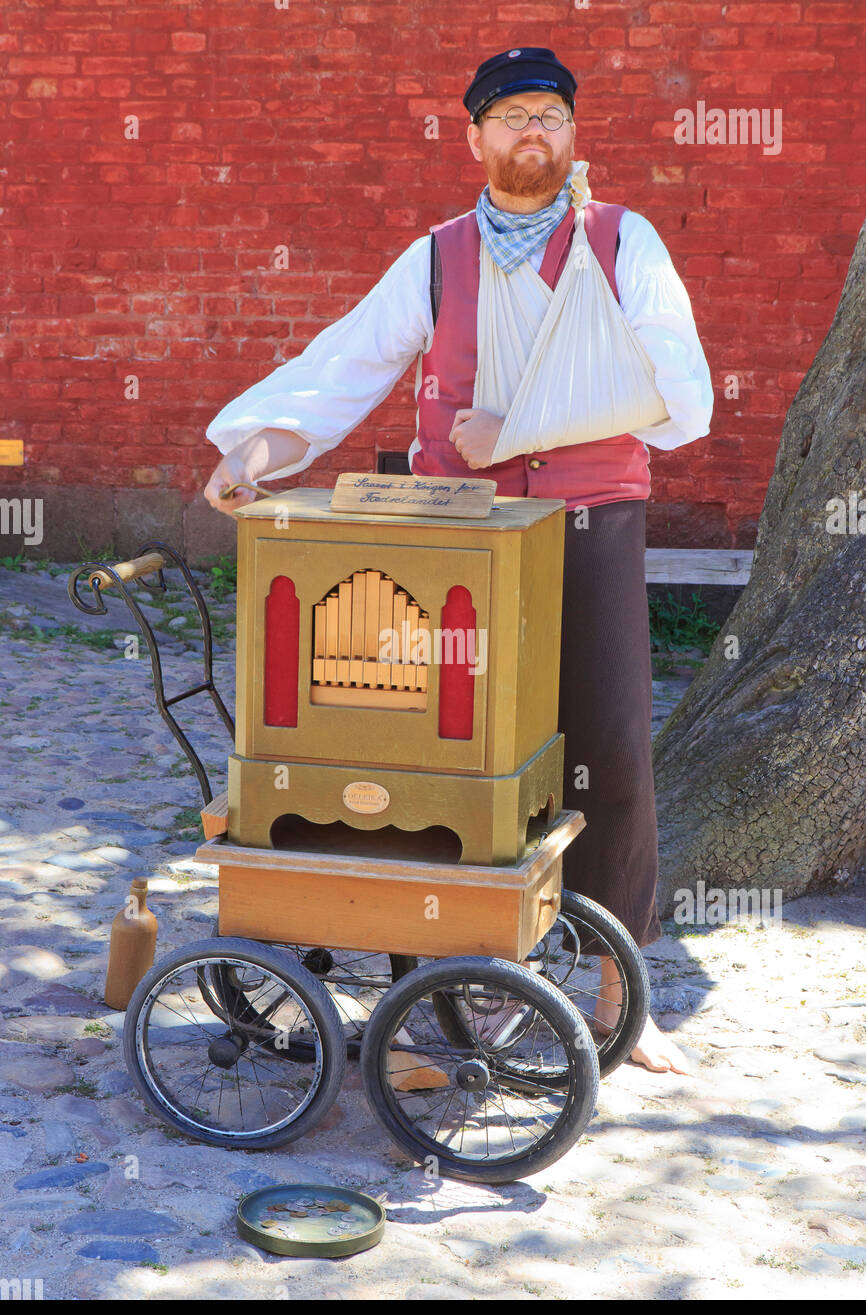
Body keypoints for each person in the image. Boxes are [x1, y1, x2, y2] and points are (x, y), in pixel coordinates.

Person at [204, 47, 713, 1074]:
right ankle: (459, 984)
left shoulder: (621, 241)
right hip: (459, 544)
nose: (535, 132)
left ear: (572, 136)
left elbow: (679, 398)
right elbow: (348, 361)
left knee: (607, 748)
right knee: (454, 760)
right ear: (473, 135)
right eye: (513, 115)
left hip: (585, 524)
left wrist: (525, 422)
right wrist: (254, 444)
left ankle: (621, 995)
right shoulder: (436, 257)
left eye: (552, 116)